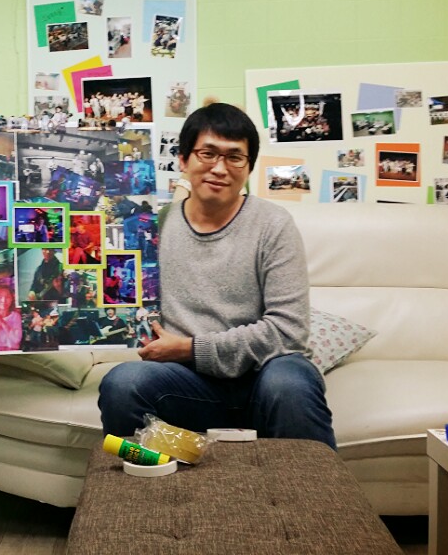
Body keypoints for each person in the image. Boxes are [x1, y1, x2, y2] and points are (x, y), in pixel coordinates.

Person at [98, 102, 336, 451]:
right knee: (122, 383)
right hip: (187, 383)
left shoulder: (273, 225)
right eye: (207, 154)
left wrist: (191, 349)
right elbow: (123, 301)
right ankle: (157, 479)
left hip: (265, 374)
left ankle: (312, 487)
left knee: (289, 383)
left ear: (249, 166)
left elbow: (289, 332)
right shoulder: (153, 227)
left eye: (235, 157)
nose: (220, 169)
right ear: (183, 160)